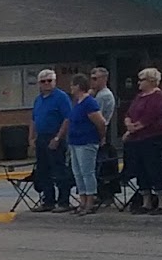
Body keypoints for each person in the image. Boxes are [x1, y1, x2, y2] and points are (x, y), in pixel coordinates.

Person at [121, 66, 162, 211]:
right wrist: (128, 124)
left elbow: (151, 117)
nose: (139, 83)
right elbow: (129, 113)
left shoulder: (158, 96)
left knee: (154, 169)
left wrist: (133, 129)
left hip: (153, 138)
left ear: (151, 81)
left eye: (142, 80)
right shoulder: (139, 97)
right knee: (141, 170)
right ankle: (146, 202)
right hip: (137, 140)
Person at [28, 68, 73, 211]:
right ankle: (48, 201)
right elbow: (34, 119)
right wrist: (31, 137)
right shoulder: (38, 99)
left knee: (59, 170)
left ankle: (64, 202)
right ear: (39, 83)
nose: (46, 83)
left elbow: (67, 118)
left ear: (55, 81)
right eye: (43, 81)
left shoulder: (61, 97)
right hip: (41, 137)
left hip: (55, 136)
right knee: (43, 171)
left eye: (49, 80)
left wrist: (58, 137)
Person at [65, 73, 107, 212]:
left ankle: (90, 201)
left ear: (78, 86)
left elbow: (100, 122)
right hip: (74, 142)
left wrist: (101, 137)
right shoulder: (77, 102)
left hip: (87, 142)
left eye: (73, 85)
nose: (71, 88)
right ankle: (82, 200)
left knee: (87, 172)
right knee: (77, 173)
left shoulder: (89, 102)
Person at [89, 66, 119, 206]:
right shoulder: (96, 94)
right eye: (91, 78)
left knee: (102, 166)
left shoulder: (103, 95)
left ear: (104, 79)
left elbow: (97, 116)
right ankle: (101, 194)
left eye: (95, 79)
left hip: (101, 132)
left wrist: (101, 137)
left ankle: (105, 194)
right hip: (98, 132)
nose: (92, 81)